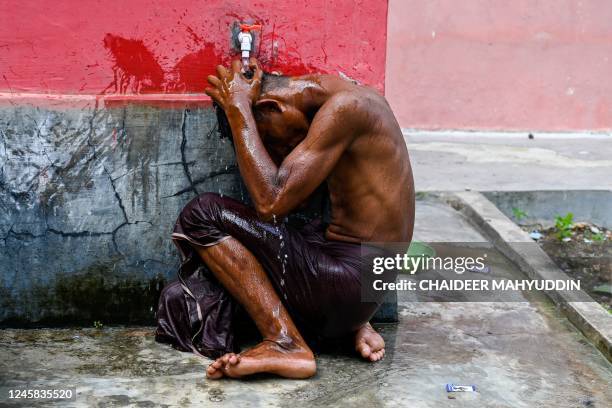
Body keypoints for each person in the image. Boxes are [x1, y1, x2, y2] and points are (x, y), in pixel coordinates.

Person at [156, 58, 414, 379]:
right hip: (358, 287)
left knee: (202, 214)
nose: (281, 152)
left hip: (350, 283)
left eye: (271, 139)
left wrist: (238, 107)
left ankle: (285, 342)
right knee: (181, 300)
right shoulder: (352, 97)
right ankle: (351, 325)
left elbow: (271, 202)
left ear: (272, 106)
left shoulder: (346, 109)